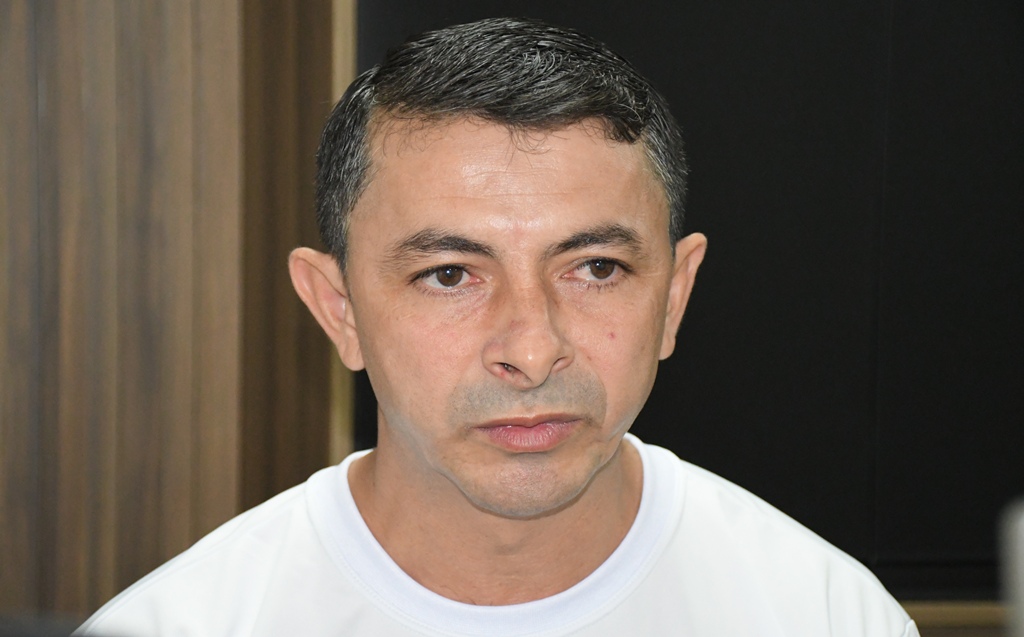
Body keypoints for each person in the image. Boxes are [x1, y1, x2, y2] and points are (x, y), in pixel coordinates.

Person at [78, 17, 919, 637]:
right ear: (339, 309)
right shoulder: (182, 621)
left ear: (673, 296)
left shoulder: (826, 614)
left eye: (596, 267)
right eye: (449, 274)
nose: (531, 348)